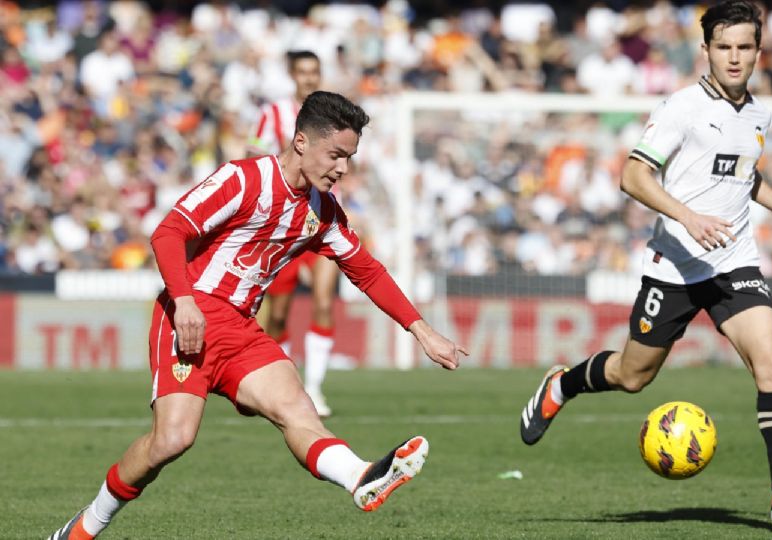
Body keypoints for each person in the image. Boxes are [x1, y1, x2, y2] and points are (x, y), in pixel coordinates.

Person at [49, 91, 467, 539]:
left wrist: (421, 331)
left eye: (349, 158)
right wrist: (184, 301)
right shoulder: (243, 180)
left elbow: (366, 270)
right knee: (172, 440)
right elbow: (168, 232)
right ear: (302, 141)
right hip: (188, 317)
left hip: (243, 330)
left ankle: (361, 476)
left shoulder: (323, 212)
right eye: (337, 155)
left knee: (299, 414)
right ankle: (86, 526)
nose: (343, 168)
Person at [518, 1, 772, 531]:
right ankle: (561, 386)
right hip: (676, 266)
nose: (733, 57)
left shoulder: (758, 114)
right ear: (705, 50)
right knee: (632, 376)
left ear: (757, 52)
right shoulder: (681, 107)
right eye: (723, 47)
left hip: (734, 261)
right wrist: (689, 218)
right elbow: (633, 176)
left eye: (744, 47)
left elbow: (737, 173)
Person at [249, 50, 339, 417]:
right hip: (284, 225)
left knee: (322, 301)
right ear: (292, 75)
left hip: (323, 223)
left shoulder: (334, 115)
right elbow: (252, 154)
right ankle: (282, 388)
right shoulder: (273, 114)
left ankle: (315, 389)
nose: (308, 79)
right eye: (302, 72)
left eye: (314, 72)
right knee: (280, 315)